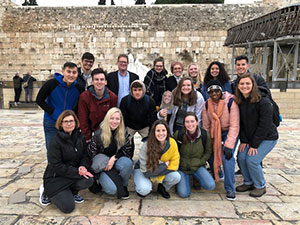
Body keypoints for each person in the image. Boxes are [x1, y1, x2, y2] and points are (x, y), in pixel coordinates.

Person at [40, 110, 94, 213]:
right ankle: (46, 191)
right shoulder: (55, 141)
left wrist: (82, 166)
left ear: (75, 122)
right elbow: (56, 165)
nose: (69, 124)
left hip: (72, 174)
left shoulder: (80, 137)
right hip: (57, 178)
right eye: (65, 121)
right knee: (68, 207)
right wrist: (77, 171)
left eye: (71, 121)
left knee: (89, 179)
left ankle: (71, 191)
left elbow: (84, 155)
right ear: (61, 124)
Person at [235, 74, 278, 197]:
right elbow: (242, 124)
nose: (245, 86)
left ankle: (260, 185)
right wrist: (244, 140)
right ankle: (248, 182)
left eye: (248, 83)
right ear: (238, 86)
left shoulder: (263, 101)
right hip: (250, 138)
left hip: (267, 137)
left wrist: (253, 144)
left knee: (252, 160)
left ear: (253, 85)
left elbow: (264, 125)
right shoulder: (240, 101)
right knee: (242, 157)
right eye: (242, 84)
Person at [202, 80, 240, 200]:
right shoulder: (207, 104)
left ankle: (230, 188)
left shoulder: (230, 102)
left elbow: (235, 125)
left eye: (216, 90)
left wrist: (229, 144)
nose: (214, 94)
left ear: (221, 91)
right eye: (211, 91)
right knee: (210, 152)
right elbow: (206, 126)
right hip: (214, 132)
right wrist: (208, 142)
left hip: (229, 131)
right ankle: (218, 173)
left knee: (227, 157)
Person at [36, 62, 84, 153]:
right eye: (68, 72)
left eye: (74, 72)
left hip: (69, 123)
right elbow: (39, 100)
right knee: (51, 149)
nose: (71, 75)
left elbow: (80, 105)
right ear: (63, 71)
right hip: (51, 121)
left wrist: (74, 117)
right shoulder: (52, 83)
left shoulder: (79, 88)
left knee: (68, 149)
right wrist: (52, 112)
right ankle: (53, 167)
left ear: (77, 74)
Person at [88, 107, 133, 199]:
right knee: (112, 190)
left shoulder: (123, 132)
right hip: (102, 166)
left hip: (115, 162)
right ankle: (105, 180)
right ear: (107, 119)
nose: (114, 121)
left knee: (127, 163)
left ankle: (123, 185)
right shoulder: (98, 134)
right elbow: (91, 154)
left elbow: (127, 149)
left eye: (117, 119)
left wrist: (114, 158)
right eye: (112, 118)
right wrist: (103, 165)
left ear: (120, 121)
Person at [133, 120, 181, 199]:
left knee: (176, 176)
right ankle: (144, 184)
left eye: (163, 130)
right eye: (158, 131)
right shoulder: (146, 145)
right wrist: (164, 165)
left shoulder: (172, 143)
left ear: (167, 131)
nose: (161, 133)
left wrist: (156, 170)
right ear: (153, 132)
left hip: (153, 170)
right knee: (144, 189)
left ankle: (162, 187)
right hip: (142, 170)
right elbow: (146, 172)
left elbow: (175, 165)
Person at [174, 112, 215, 198]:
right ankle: (183, 180)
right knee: (184, 194)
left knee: (210, 185)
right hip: (182, 168)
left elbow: (208, 151)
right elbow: (173, 151)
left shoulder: (204, 135)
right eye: (187, 122)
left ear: (197, 122)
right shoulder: (179, 135)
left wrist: (201, 161)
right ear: (184, 124)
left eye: (192, 121)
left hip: (197, 166)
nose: (190, 124)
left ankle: (196, 178)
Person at [78, 68, 117, 142]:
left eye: (102, 79)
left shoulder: (112, 97)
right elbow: (83, 119)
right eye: (96, 79)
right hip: (90, 134)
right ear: (92, 82)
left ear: (105, 82)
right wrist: (88, 137)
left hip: (106, 133)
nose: (99, 82)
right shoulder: (84, 97)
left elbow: (113, 119)